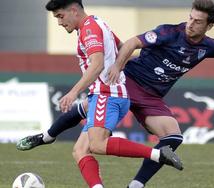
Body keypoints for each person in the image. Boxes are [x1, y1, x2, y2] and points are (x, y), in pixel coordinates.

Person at [17, 0, 214, 187]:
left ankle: (135, 185)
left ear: (209, 25)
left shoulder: (206, 46)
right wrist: (117, 65)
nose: (190, 23)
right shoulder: (170, 32)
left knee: (173, 137)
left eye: (197, 21)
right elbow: (132, 42)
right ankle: (47, 136)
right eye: (190, 18)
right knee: (85, 138)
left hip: (149, 98)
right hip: (129, 82)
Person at [17, 0, 183, 188]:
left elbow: (97, 64)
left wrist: (73, 92)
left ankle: (158, 154)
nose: (59, 22)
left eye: (60, 16)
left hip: (106, 94)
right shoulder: (98, 23)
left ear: (73, 10)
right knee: (80, 150)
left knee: (97, 144)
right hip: (111, 94)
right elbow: (122, 49)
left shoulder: (89, 29)